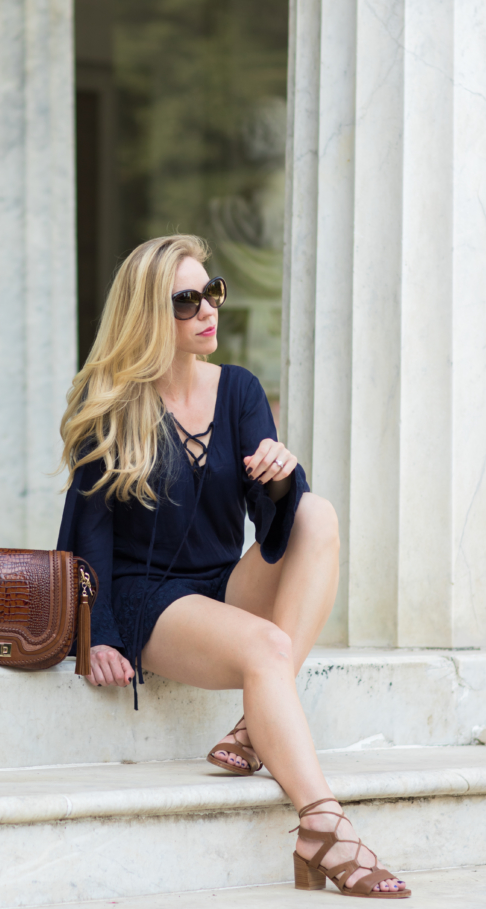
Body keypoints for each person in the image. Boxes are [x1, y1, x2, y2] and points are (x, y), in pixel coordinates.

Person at [57, 235, 409, 899]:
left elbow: (272, 524)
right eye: (185, 301)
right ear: (146, 317)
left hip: (222, 585)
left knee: (316, 512)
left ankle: (254, 726)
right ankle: (321, 824)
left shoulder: (239, 391)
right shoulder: (106, 408)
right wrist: (98, 632)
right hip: (149, 599)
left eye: (210, 292)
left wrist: (277, 480)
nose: (207, 311)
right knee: (266, 647)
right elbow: (86, 538)